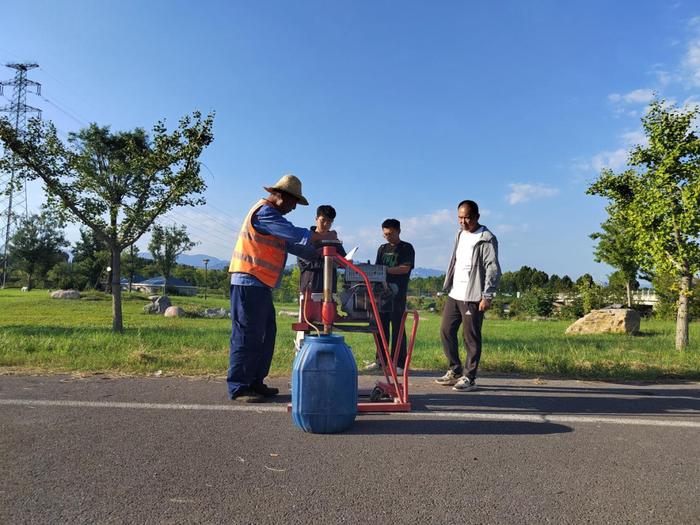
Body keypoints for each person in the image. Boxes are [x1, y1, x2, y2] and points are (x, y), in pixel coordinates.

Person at [227, 174, 337, 403]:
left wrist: (315, 252)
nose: (293, 208)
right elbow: (292, 234)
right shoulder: (265, 212)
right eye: (293, 203)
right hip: (248, 282)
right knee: (247, 335)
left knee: (265, 335)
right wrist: (320, 236)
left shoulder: (272, 217)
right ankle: (239, 386)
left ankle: (256, 382)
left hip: (260, 285)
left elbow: (288, 245)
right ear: (281, 197)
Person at [435, 200, 501, 391]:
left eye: (467, 218)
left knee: (470, 337)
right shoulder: (459, 234)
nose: (463, 222)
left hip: (473, 295)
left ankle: (469, 376)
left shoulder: (486, 238)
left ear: (477, 217)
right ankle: (455, 370)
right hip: (455, 293)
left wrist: (487, 295)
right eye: (460, 217)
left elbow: (493, 268)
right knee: (446, 330)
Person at [366, 218, 415, 373]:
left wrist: (386, 270)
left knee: (398, 329)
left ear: (398, 231)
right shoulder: (382, 248)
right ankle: (380, 360)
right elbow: (377, 268)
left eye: (391, 234)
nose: (388, 237)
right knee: (381, 328)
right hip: (381, 294)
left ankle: (399, 363)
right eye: (385, 234)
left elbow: (405, 268)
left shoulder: (406, 248)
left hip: (398, 295)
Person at [295, 205, 345, 350]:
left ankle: (324, 356)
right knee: (305, 326)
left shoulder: (334, 240)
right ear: (316, 218)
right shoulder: (306, 238)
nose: (326, 225)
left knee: (327, 325)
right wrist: (324, 257)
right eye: (323, 220)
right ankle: (302, 357)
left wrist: (344, 261)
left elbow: (343, 259)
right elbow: (304, 261)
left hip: (329, 292)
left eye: (330, 222)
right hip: (309, 291)